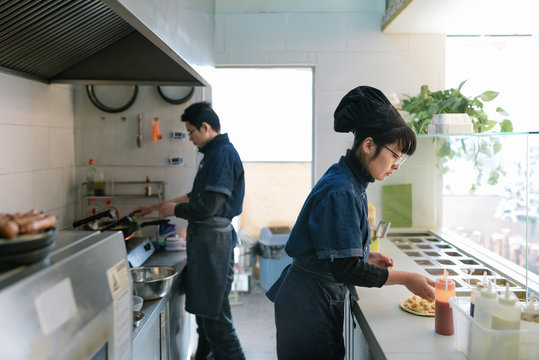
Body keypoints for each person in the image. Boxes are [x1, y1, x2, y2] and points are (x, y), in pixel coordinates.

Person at [266, 86, 435, 360]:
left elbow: (335, 250)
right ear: (369, 145)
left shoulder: (348, 178)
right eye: (395, 155)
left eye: (400, 159)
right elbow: (345, 269)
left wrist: (365, 255)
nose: (396, 165)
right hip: (310, 304)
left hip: (311, 297)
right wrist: (406, 279)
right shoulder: (342, 189)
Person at [132, 102, 245, 360]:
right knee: (206, 320)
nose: (191, 139)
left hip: (213, 245)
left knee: (216, 322)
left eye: (191, 132)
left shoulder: (222, 154)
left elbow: (208, 206)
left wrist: (175, 210)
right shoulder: (213, 155)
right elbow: (194, 196)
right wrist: (155, 207)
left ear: (205, 127)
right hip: (207, 243)